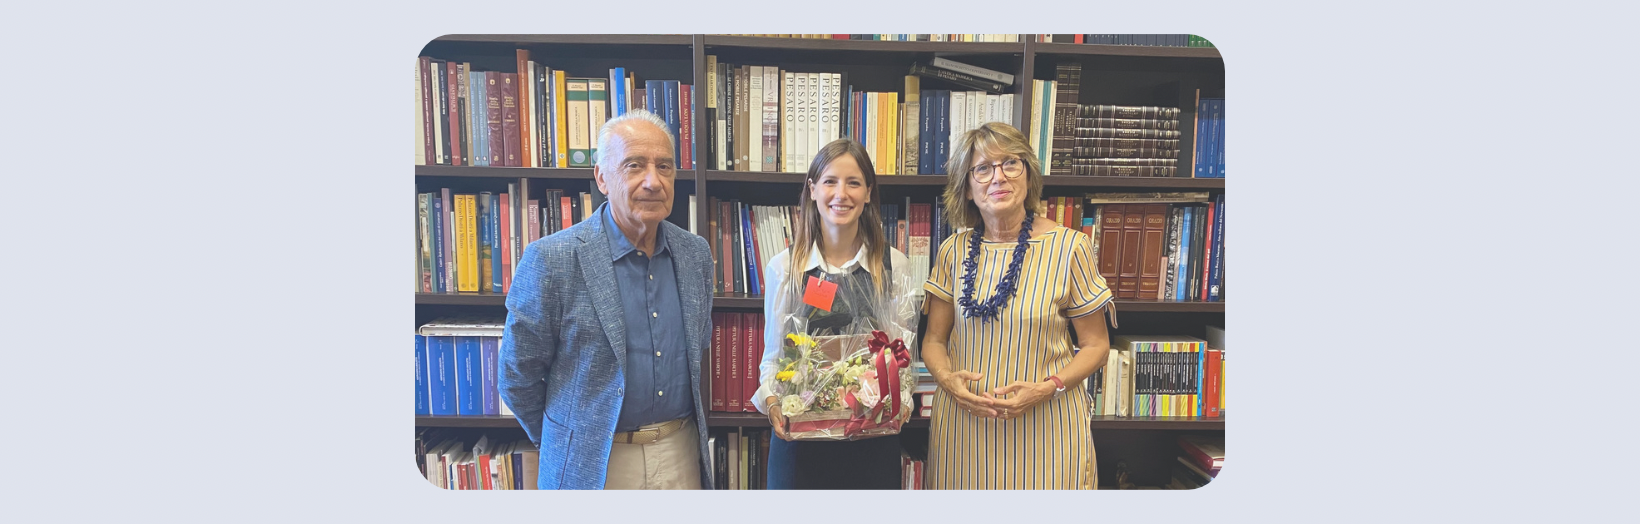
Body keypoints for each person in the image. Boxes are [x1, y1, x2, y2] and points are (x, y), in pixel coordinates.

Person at [499, 110, 715, 490]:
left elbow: (699, 345)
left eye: (664, 166)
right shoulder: (552, 259)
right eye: (634, 166)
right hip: (594, 463)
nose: (653, 181)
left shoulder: (695, 254)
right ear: (602, 177)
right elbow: (518, 376)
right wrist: (568, 437)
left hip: (681, 453)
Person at [921, 122, 1116, 489]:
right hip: (966, 423)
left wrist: (1047, 387)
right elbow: (933, 340)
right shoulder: (953, 251)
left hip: (1049, 422)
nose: (998, 177)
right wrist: (947, 381)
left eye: (1010, 163)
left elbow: (1096, 346)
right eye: (983, 168)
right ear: (967, 187)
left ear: (1028, 176)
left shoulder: (1070, 248)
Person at [751, 139, 916, 490]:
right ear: (812, 190)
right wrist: (772, 402)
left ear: (868, 193)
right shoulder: (785, 268)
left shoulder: (894, 266)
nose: (841, 193)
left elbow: (901, 355)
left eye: (853, 182)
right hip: (802, 443)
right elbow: (773, 358)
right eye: (829, 181)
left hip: (871, 437)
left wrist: (904, 401)